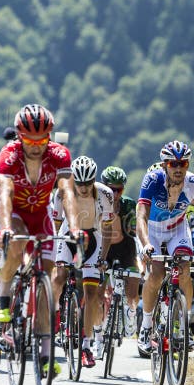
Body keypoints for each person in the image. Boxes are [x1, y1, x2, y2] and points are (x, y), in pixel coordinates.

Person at [0, 103, 74, 378]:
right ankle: (3, 296)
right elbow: (4, 193)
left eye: (42, 139)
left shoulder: (59, 155)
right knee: (15, 242)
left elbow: (66, 191)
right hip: (12, 212)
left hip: (40, 214)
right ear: (19, 136)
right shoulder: (9, 155)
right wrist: (4, 228)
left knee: (46, 280)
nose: (36, 146)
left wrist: (74, 227)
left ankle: (46, 355)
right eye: (29, 140)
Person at [136, 141, 194, 353]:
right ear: (164, 165)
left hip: (177, 230)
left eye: (183, 163)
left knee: (184, 270)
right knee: (156, 274)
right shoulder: (153, 179)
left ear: (188, 164)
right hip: (152, 230)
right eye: (173, 164)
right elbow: (141, 216)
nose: (178, 168)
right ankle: (146, 326)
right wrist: (145, 245)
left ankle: (184, 325)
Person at [53, 156, 114, 367]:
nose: (84, 187)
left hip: (94, 239)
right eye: (79, 183)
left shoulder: (105, 194)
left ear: (94, 180)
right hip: (67, 236)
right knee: (59, 276)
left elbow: (107, 229)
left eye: (89, 183)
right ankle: (55, 313)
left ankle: (86, 345)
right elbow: (56, 225)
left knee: (91, 294)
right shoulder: (61, 193)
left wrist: (103, 258)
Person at [100, 166, 141, 338]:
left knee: (132, 289)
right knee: (98, 290)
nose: (115, 193)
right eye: (111, 189)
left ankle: (131, 313)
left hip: (125, 248)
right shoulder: (98, 202)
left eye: (119, 189)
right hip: (105, 249)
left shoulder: (128, 204)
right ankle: (99, 329)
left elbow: (133, 231)